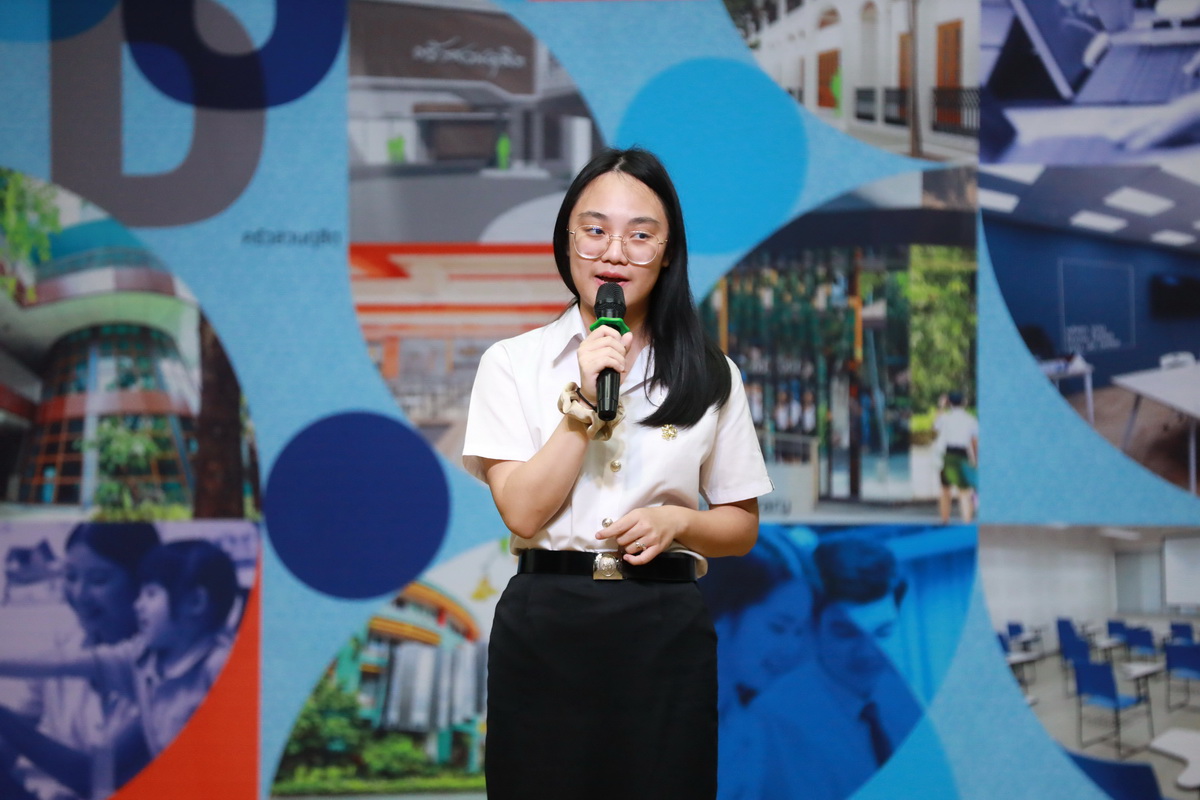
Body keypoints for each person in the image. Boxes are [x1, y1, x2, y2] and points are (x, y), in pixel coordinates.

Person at [461, 147, 773, 800]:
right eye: (595, 229)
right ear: (567, 240)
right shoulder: (512, 363)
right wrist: (581, 404)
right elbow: (522, 511)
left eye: (640, 234)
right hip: (547, 619)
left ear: (667, 252)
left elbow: (741, 526)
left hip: (663, 624)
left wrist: (678, 521)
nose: (614, 252)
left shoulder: (711, 373)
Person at [0, 539, 238, 783]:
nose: (138, 604)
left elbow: (96, 777)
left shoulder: (222, 667)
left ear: (195, 602)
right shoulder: (141, 656)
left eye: (150, 594)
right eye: (70, 576)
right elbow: (61, 664)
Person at [733, 536, 922, 800]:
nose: (868, 652)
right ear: (811, 625)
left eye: (883, 631)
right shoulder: (773, 720)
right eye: (846, 632)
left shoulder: (904, 699)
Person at [0, 522, 161, 800]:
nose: (79, 594)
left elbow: (97, 777)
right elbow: (8, 748)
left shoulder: (171, 666)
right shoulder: (63, 646)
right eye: (70, 576)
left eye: (98, 580)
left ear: (142, 582)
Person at [934, 391, 978, 524]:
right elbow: (974, 442)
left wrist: (941, 406)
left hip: (948, 455)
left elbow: (934, 426)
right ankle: (967, 522)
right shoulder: (971, 419)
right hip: (963, 454)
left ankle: (944, 521)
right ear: (964, 402)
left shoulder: (945, 418)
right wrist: (976, 460)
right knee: (964, 492)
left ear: (949, 403)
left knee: (945, 490)